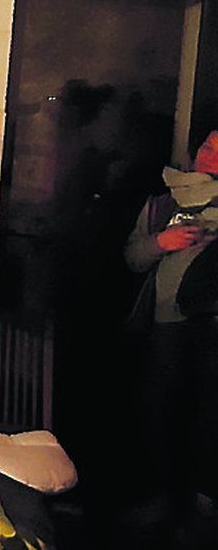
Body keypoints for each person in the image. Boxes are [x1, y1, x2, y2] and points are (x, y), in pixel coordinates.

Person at [124, 129, 218, 537]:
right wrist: (162, 241)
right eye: (207, 147)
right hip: (165, 326)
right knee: (159, 413)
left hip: (212, 329)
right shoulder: (164, 201)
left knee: (209, 419)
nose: (209, 157)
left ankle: (203, 511)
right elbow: (131, 259)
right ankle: (161, 500)